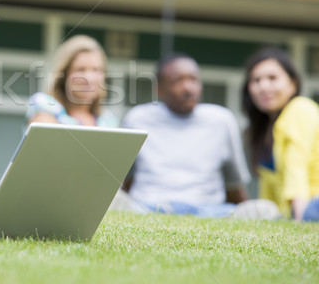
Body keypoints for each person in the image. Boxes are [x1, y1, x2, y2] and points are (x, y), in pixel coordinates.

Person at [114, 53, 279, 219]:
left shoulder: (222, 120)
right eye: (177, 81)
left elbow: (233, 185)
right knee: (115, 201)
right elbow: (123, 179)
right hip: (147, 207)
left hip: (209, 211)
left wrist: (248, 211)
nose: (188, 87)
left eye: (193, 80)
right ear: (159, 89)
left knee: (265, 209)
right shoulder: (137, 119)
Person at [242, 47, 319, 221]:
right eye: (256, 80)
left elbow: (296, 165)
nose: (264, 86)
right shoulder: (265, 128)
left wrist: (300, 220)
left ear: (293, 84)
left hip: (311, 204)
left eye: (272, 78)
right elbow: (268, 196)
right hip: (292, 211)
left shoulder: (300, 108)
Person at [25, 35, 119, 127]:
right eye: (80, 69)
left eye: (96, 70)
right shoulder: (44, 106)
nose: (89, 78)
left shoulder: (109, 120)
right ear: (64, 74)